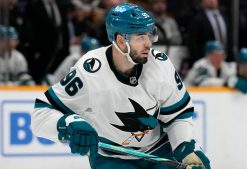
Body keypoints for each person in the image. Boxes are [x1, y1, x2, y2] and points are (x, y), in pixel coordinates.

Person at [31, 3, 210, 169]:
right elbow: (41, 114)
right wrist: (67, 123)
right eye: (141, 37)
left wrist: (185, 146)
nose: (149, 43)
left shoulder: (160, 65)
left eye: (150, 35)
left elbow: (178, 114)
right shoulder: (90, 72)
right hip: (111, 158)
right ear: (121, 40)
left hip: (159, 149)